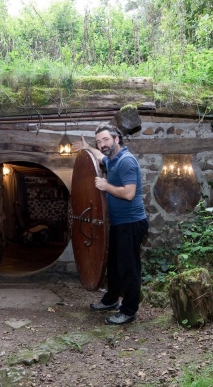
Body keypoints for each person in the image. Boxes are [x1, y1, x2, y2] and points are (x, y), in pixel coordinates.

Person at [72, 124, 149, 325]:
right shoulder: (112, 159)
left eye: (105, 139)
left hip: (131, 224)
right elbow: (99, 156)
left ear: (117, 138)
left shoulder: (126, 162)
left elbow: (129, 193)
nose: (102, 144)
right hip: (118, 224)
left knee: (129, 268)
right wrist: (88, 147)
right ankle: (111, 300)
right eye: (99, 141)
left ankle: (129, 310)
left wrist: (106, 186)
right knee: (114, 266)